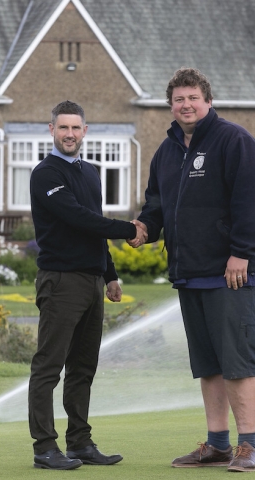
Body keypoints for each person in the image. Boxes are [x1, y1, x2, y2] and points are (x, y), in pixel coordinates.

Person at [129, 67, 255, 472]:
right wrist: (143, 229)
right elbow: (156, 205)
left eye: (192, 98)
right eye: (179, 99)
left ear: (208, 101)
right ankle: (218, 444)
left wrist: (242, 252)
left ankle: (250, 445)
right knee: (208, 363)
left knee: (237, 362)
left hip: (229, 273)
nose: (186, 105)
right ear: (171, 105)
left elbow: (249, 201)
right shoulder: (166, 151)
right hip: (189, 273)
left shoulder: (232, 140)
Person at [28, 100, 147, 470]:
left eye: (75, 128)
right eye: (62, 128)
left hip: (92, 281)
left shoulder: (91, 172)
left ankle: (79, 443)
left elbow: (93, 226)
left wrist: (109, 274)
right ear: (51, 130)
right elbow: (78, 219)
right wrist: (130, 229)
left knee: (83, 368)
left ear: (85, 131)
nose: (69, 134)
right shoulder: (45, 174)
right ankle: (45, 448)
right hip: (60, 281)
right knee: (49, 367)